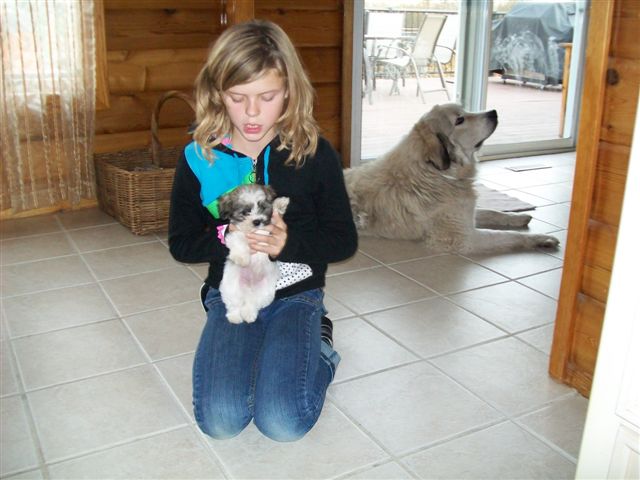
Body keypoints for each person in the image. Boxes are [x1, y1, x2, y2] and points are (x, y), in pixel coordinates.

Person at [168, 19, 357, 442]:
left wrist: (289, 242)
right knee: (221, 422)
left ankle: (321, 346)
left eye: (267, 97)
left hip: (297, 293)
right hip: (232, 291)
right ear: (218, 93)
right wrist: (228, 237)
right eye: (237, 98)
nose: (252, 113)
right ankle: (264, 351)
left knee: (283, 423)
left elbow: (343, 240)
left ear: (289, 91)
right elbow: (181, 243)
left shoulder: (315, 153)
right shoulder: (200, 157)